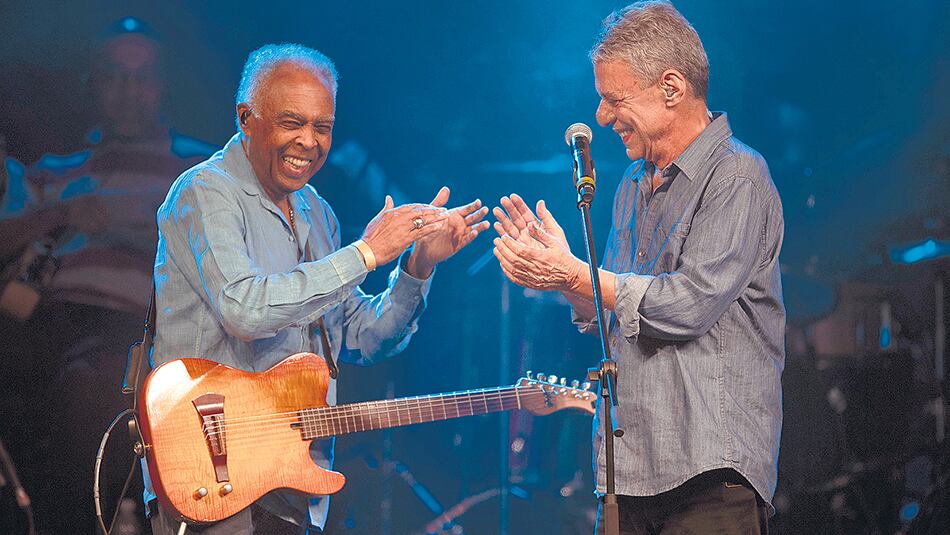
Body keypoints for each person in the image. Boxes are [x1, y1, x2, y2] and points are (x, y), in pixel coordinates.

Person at [145, 43, 489, 534]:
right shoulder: (205, 191)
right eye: (292, 123)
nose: (308, 141)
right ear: (246, 119)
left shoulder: (318, 212)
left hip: (293, 485)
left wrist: (418, 266)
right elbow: (244, 309)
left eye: (322, 127)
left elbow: (363, 338)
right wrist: (365, 253)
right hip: (212, 471)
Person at [492, 2, 784, 533]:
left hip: (708, 476)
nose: (602, 117)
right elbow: (616, 316)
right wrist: (564, 276)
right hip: (627, 473)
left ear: (671, 88)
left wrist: (573, 273)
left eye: (614, 99)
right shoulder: (631, 183)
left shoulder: (737, 176)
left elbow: (688, 306)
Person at [0, 18, 215, 534]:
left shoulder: (201, 168)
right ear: (94, 83)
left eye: (142, 78)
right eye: (115, 76)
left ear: (162, 86)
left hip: (140, 327)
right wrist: (62, 214)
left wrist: (153, 225)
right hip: (46, 321)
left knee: (92, 387)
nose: (128, 91)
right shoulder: (58, 169)